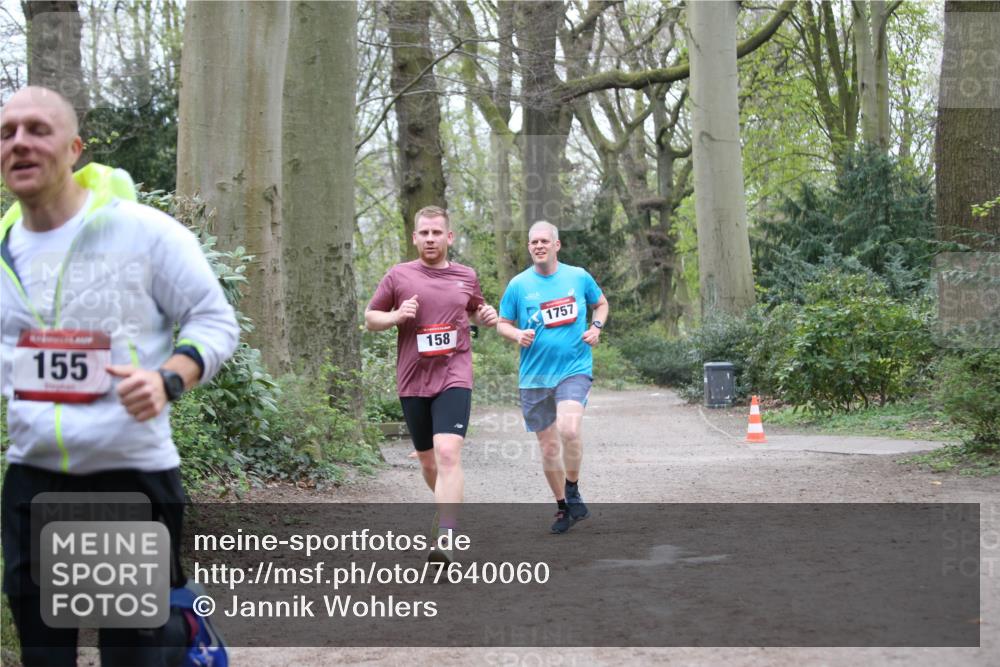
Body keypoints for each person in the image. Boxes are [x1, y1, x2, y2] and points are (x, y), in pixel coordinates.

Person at [1, 86, 238, 665]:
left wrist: (168, 379)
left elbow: (213, 320)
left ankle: (178, 633)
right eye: (7, 133)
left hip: (123, 477)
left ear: (75, 148)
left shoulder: (142, 232)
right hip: (32, 478)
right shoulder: (4, 251)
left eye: (38, 130)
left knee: (130, 656)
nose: (19, 143)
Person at [365, 206, 498, 560]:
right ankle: (446, 507)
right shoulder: (399, 275)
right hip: (413, 380)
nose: (430, 239)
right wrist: (396, 315)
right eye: (424, 233)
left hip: (455, 375)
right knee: (428, 462)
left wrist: (485, 315)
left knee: (448, 452)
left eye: (436, 232)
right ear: (414, 238)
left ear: (449, 237)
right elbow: (370, 318)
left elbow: (474, 309)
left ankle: (448, 537)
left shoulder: (466, 275)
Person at [497, 221, 609, 534]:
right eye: (534, 242)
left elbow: (601, 304)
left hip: (574, 368)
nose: (539, 246)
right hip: (534, 377)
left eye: (544, 241)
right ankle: (563, 507)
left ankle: (572, 489)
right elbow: (502, 323)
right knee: (548, 449)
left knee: (569, 429)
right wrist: (516, 334)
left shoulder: (578, 276)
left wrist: (596, 328)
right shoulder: (518, 285)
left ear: (556, 245)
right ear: (529, 247)